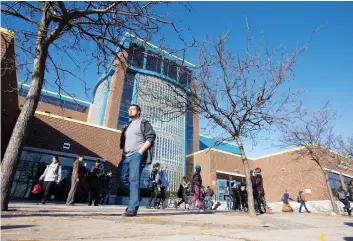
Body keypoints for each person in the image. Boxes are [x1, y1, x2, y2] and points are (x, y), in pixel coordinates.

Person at [117, 104, 156, 217]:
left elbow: (151, 137)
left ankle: (132, 207)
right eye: (128, 109)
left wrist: (140, 152)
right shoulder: (127, 126)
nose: (130, 111)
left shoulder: (143, 123)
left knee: (133, 180)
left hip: (137, 155)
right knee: (120, 179)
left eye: (132, 109)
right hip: (125, 156)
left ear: (138, 112)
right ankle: (136, 197)